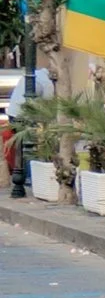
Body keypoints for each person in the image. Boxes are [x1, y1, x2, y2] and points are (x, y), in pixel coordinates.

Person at [5, 64, 52, 198]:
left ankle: (21, 178)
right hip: (26, 116)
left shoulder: (31, 75)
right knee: (30, 147)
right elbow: (49, 105)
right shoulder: (47, 82)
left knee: (20, 147)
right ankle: (30, 177)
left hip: (13, 113)